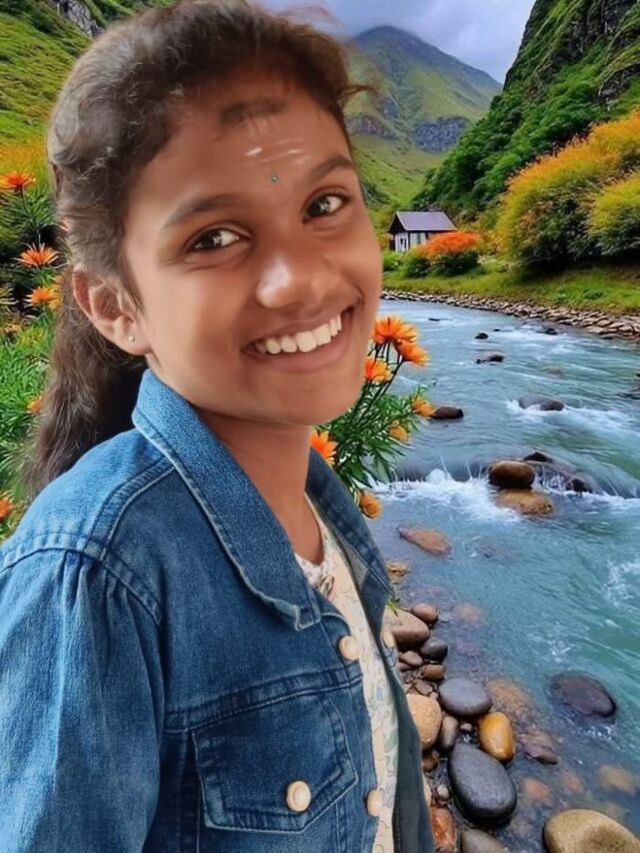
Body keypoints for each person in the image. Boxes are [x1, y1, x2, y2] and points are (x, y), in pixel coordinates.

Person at [0, 1, 434, 850]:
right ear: (116, 306)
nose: (301, 280)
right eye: (215, 237)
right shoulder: (94, 581)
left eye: (325, 202)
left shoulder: (318, 500)